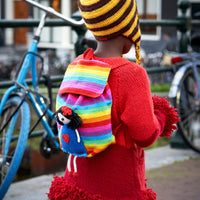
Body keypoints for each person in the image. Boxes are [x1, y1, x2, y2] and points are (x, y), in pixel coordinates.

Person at [47, 0, 179, 199]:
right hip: (117, 185)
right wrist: (161, 115)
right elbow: (145, 135)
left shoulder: (77, 65)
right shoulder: (132, 75)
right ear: (129, 29)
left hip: (76, 180)